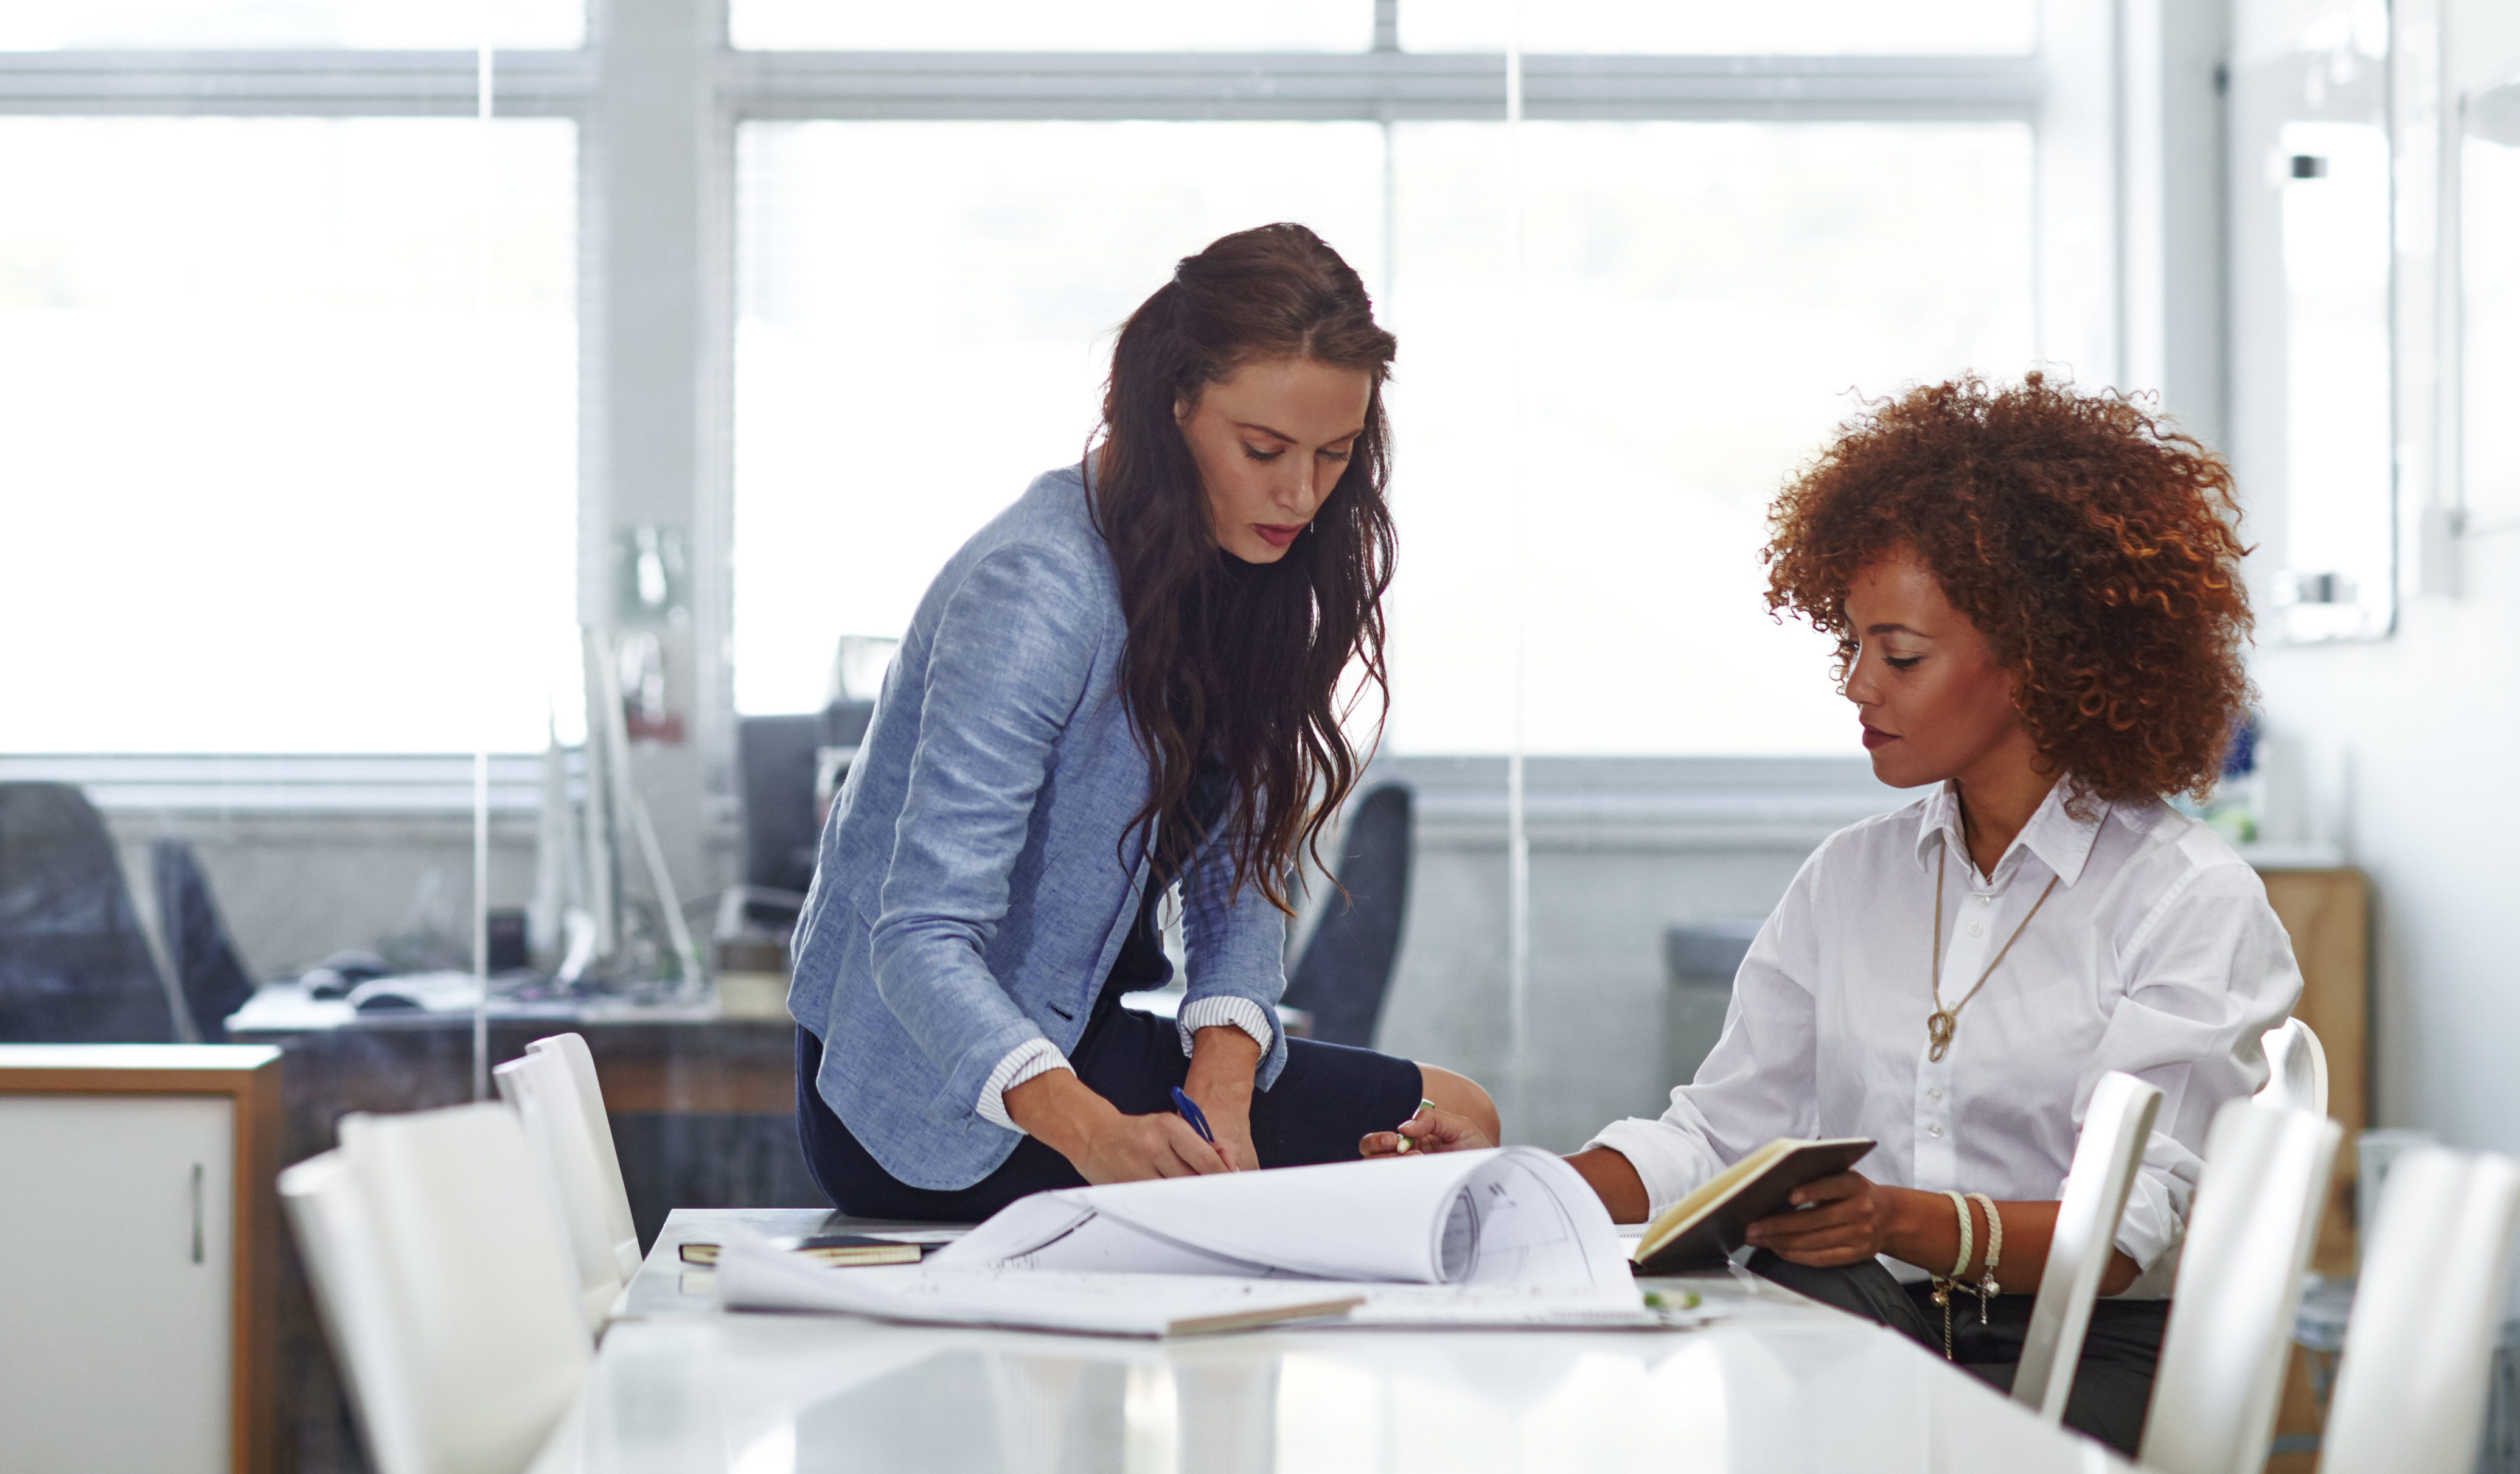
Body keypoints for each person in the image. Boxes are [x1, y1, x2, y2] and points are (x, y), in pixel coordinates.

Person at [1541, 373, 2295, 1450]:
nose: (1857, 684)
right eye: (1850, 646)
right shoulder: (1849, 882)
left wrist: (1894, 1219)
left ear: (2041, 662)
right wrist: (1519, 1194)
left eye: (1898, 655)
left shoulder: (2186, 900)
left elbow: (2126, 1234)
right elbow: (1717, 1137)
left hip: (2086, 1360)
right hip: (1876, 1331)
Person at [785, 223, 1499, 1224]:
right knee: (1440, 1127)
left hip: (1087, 1035)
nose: (1300, 494)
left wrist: (1225, 1066)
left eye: (1334, 455)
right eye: (1263, 450)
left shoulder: (1247, 564)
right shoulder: (1038, 592)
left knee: (1449, 1125)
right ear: (1174, 411)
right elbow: (918, 939)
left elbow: (1239, 872)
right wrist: (1097, 1136)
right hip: (931, 1099)